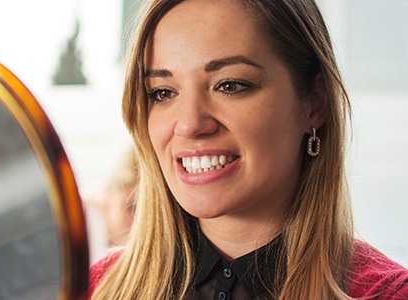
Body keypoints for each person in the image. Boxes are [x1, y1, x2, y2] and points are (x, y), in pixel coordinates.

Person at [89, 0, 408, 299]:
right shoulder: (94, 287)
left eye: (230, 85)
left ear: (315, 102)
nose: (189, 125)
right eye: (162, 92)